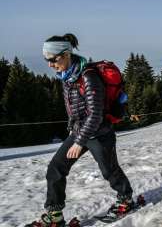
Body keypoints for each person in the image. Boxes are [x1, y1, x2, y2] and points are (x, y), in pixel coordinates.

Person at [27, 34, 134, 227]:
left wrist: (79, 141)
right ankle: (55, 215)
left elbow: (96, 114)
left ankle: (126, 199)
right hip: (80, 131)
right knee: (56, 168)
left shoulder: (89, 77)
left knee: (109, 171)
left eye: (53, 59)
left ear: (66, 54)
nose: (50, 64)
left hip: (100, 133)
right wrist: (72, 131)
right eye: (46, 60)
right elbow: (74, 108)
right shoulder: (67, 76)